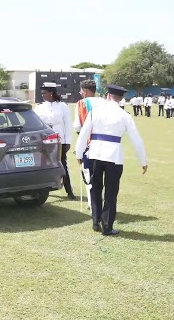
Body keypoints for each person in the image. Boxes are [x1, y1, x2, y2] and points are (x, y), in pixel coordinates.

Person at [74, 84, 148, 235]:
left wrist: (79, 154)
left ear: (107, 95)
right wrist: (143, 161)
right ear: (121, 98)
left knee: (95, 189)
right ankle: (107, 225)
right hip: (114, 156)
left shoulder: (95, 112)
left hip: (95, 153)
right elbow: (136, 140)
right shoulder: (125, 115)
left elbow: (83, 133)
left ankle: (96, 221)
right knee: (111, 192)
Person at [34, 82, 76, 200]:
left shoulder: (62, 106)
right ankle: (41, 190)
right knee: (41, 165)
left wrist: (68, 141)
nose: (42, 95)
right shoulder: (39, 107)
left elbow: (67, 124)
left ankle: (69, 191)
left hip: (59, 140)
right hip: (43, 141)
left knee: (62, 165)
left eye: (44, 93)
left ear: (52, 93)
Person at [73, 78, 106, 211]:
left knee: (89, 174)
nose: (80, 93)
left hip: (88, 143)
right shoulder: (105, 102)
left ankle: (92, 203)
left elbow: (77, 125)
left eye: (81, 90)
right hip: (105, 142)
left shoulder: (81, 103)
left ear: (85, 91)